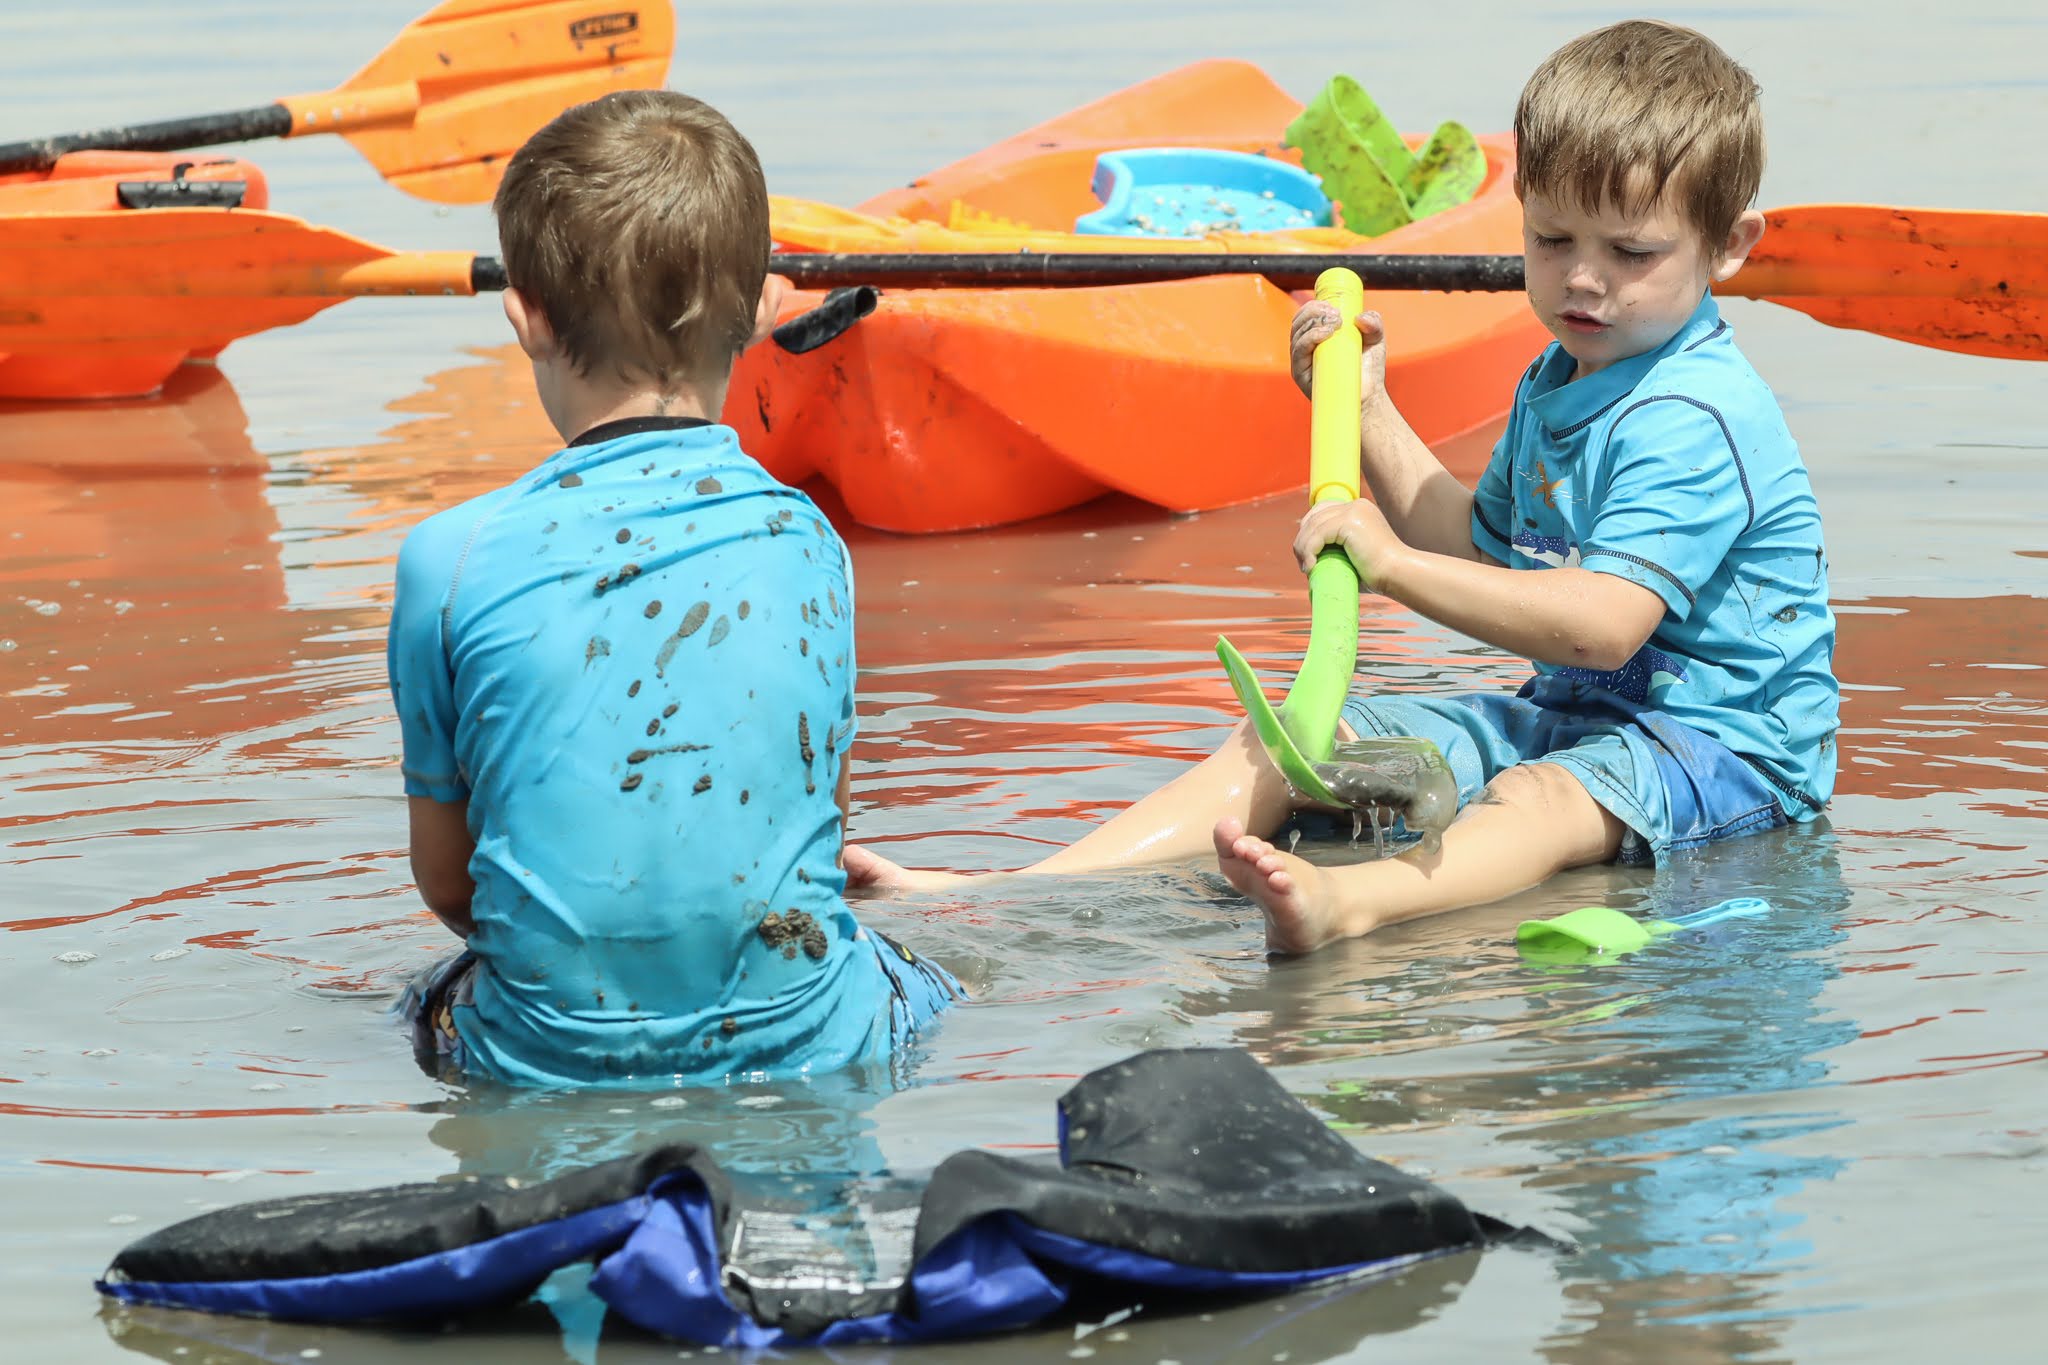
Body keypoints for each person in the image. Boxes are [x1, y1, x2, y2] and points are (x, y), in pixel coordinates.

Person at [848, 20, 1838, 955]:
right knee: (1304, 731)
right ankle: (1015, 891)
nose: (1581, 281)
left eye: (1629, 253)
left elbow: (1599, 627)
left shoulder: (1690, 418)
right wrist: (1362, 404)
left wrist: (1389, 569)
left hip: (1723, 743)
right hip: (1573, 714)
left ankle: (1350, 904)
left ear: (1728, 246)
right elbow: (1471, 541)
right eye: (1550, 241)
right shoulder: (1561, 374)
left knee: (1541, 801)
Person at [388, 90, 958, 1087]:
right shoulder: (810, 542)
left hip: (544, 1060)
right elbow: (818, 832)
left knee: (414, 1005)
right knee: (929, 980)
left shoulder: (447, 559)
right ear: (769, 311)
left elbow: (448, 882)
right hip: (811, 1049)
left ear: (524, 319)